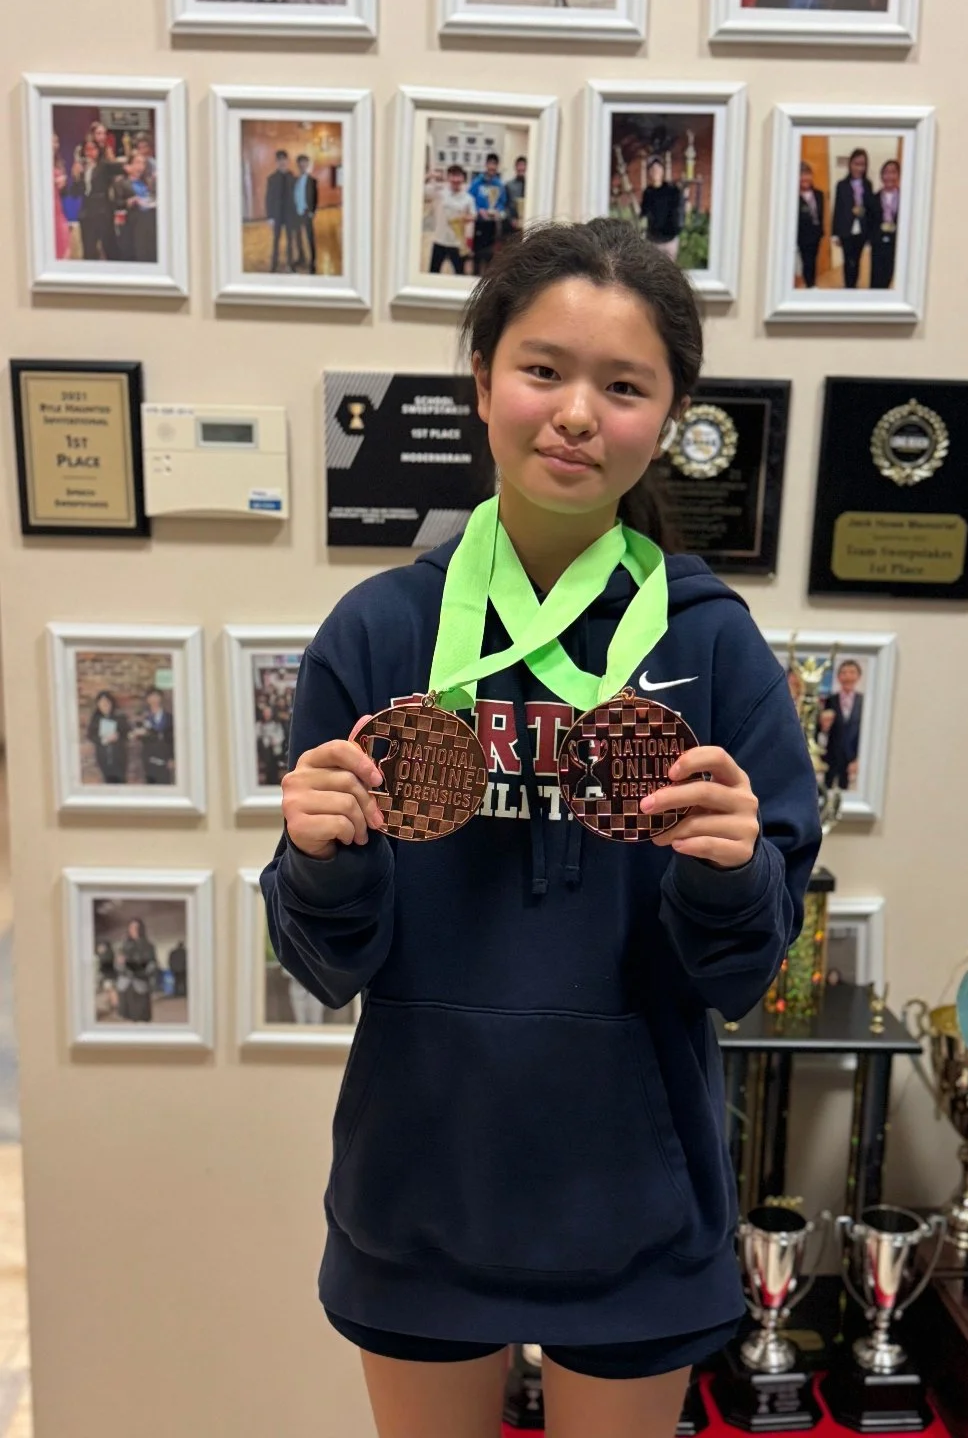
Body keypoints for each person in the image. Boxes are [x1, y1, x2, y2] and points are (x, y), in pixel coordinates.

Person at [260, 217, 821, 1438]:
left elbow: (737, 974)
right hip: (421, 1189)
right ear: (481, 383)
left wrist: (731, 880)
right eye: (542, 369)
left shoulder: (710, 646)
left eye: (622, 387)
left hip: (632, 1201)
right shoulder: (375, 636)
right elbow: (323, 965)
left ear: (665, 418)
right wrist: (314, 858)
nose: (575, 413)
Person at [67, 140, 122, 262]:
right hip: (87, 214)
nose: (90, 153)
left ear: (98, 151)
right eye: (87, 150)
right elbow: (74, 194)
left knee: (110, 248)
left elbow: (120, 168)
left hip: (103, 212)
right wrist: (76, 177)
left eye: (93, 149)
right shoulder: (82, 169)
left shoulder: (104, 166)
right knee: (89, 251)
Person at [831, 147, 877, 289]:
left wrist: (870, 234)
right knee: (848, 261)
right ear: (850, 164)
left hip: (862, 230)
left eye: (862, 164)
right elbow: (837, 209)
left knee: (857, 260)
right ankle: (848, 287)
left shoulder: (868, 185)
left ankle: (854, 287)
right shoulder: (841, 185)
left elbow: (871, 210)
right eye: (856, 163)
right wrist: (835, 234)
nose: (859, 168)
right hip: (846, 229)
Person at [423, 165, 476, 275]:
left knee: (460, 274)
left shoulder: (468, 198)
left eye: (459, 176)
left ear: (463, 178)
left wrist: (464, 218)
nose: (456, 179)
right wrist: (429, 175)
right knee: (433, 273)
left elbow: (473, 215)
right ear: (448, 177)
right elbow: (420, 190)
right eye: (452, 176)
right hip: (439, 240)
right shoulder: (440, 192)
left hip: (457, 243)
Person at [821, 658, 864, 789]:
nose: (848, 676)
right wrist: (824, 726)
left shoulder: (863, 702)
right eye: (844, 673)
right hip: (831, 758)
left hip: (852, 758)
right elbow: (823, 731)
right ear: (839, 677)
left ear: (858, 676)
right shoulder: (830, 700)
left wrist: (858, 758)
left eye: (852, 672)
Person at [468, 153, 508, 275]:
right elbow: (469, 199)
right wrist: (479, 210)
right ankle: (474, 275)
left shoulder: (499, 184)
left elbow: (502, 202)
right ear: (486, 165)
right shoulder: (477, 182)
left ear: (497, 166)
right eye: (490, 164)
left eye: (494, 165)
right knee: (477, 253)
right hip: (479, 222)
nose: (492, 167)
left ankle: (486, 278)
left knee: (490, 254)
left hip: (492, 224)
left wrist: (497, 211)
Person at [640, 156, 682, 262]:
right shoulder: (648, 193)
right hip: (653, 240)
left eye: (658, 169)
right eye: (653, 169)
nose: (655, 172)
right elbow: (644, 213)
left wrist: (676, 228)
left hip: (669, 240)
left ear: (663, 171)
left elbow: (678, 211)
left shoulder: (672, 191)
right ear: (649, 172)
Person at [116, 919, 159, 1023]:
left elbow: (152, 965)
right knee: (126, 1018)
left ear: (142, 929)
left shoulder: (149, 946)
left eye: (137, 927)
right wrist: (120, 964)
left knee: (141, 1018)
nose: (135, 930)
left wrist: (141, 971)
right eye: (132, 927)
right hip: (125, 985)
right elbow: (117, 965)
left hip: (141, 984)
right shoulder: (123, 945)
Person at [117, 152, 157, 263]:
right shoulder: (122, 182)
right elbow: (117, 203)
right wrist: (129, 201)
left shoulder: (147, 182)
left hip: (150, 222)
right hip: (134, 224)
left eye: (143, 163)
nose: (141, 166)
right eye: (137, 163)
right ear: (129, 165)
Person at [86, 690, 129, 784]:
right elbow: (90, 735)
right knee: (108, 782)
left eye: (107, 702)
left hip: (119, 756)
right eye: (101, 703)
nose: (105, 705)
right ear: (98, 705)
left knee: (121, 782)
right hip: (103, 756)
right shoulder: (95, 720)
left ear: (111, 703)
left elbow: (127, 734)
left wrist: (118, 736)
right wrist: (102, 739)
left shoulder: (120, 718)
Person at [134, 688, 175, 785]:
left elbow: (173, 739)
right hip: (149, 757)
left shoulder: (169, 717)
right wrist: (139, 734)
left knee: (166, 785)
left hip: (165, 756)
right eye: (151, 697)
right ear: (147, 699)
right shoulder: (143, 717)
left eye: (156, 696)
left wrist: (173, 758)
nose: (154, 700)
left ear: (161, 698)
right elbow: (138, 736)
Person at [870, 158, 900, 290]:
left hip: (897, 243)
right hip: (878, 243)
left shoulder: (905, 197)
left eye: (893, 172)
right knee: (876, 277)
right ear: (881, 176)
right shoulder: (874, 198)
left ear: (898, 175)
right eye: (886, 172)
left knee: (890, 275)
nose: (890, 176)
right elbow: (869, 222)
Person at [265, 149, 296, 274]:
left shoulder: (292, 177)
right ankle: (274, 265)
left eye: (284, 160)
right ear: (276, 162)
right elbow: (268, 198)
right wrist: (270, 217)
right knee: (276, 240)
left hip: (289, 215)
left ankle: (291, 264)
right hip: (277, 215)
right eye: (279, 160)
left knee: (290, 241)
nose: (282, 162)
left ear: (287, 161)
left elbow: (296, 197)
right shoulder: (271, 178)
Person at [796, 160, 825, 288]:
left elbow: (820, 214)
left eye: (807, 174)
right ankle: (808, 285)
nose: (805, 178)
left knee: (812, 262)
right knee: (804, 262)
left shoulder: (819, 194)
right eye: (801, 174)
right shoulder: (794, 195)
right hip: (801, 235)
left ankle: (811, 285)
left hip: (815, 234)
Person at [292, 154, 318, 275]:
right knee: (298, 238)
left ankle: (313, 261)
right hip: (297, 213)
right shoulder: (295, 180)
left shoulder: (312, 181)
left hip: (307, 213)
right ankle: (301, 258)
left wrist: (312, 211)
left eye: (304, 163)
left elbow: (315, 197)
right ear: (298, 166)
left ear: (307, 165)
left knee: (310, 238)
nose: (302, 166)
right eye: (300, 164)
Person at [257, 701, 288, 786]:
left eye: (268, 712)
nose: (267, 714)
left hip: (275, 750)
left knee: (274, 767)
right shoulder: (259, 725)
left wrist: (274, 740)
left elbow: (281, 736)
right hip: (264, 750)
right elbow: (258, 736)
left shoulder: (276, 724)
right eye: (265, 712)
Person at [52, 133, 70, 260]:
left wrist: (63, 183)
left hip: (57, 207)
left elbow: (66, 193)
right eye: (52, 142)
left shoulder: (58, 163)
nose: (55, 145)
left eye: (56, 142)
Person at [505, 155, 527, 240]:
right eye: (519, 165)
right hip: (512, 225)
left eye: (523, 165)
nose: (521, 168)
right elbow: (506, 205)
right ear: (515, 167)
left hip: (527, 222)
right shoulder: (509, 185)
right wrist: (511, 219)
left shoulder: (531, 185)